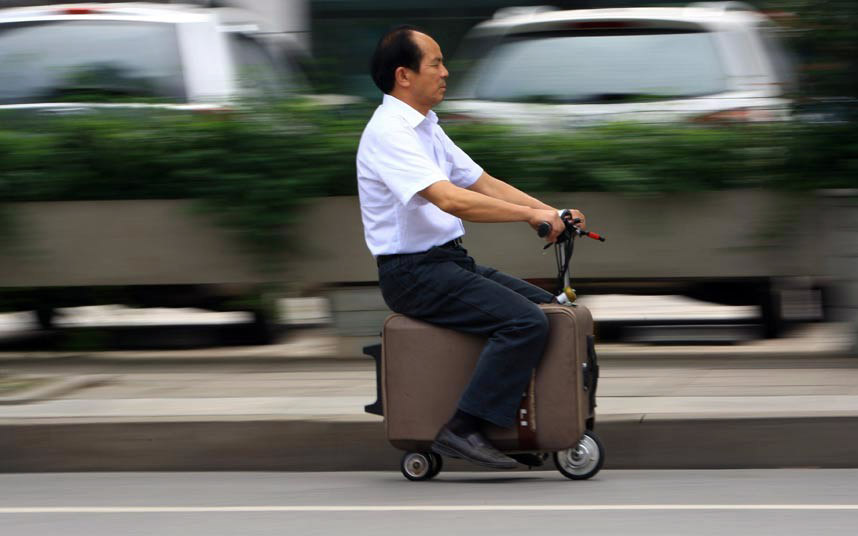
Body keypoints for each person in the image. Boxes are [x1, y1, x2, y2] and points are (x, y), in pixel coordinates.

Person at [356, 25, 586, 469]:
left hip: (447, 263)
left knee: (549, 312)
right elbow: (448, 198)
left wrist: (550, 211)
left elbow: (481, 183)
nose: (446, 72)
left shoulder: (426, 127)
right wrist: (528, 217)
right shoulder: (389, 132)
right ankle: (464, 428)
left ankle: (521, 428)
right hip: (413, 273)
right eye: (437, 63)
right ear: (404, 75)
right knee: (523, 323)